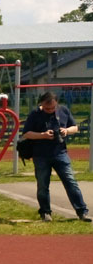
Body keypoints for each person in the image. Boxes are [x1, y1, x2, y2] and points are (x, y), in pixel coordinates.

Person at [20, 92, 90, 222]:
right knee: (43, 185)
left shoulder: (63, 110)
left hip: (60, 153)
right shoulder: (35, 114)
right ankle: (45, 212)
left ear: (57, 104)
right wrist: (43, 135)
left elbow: (75, 127)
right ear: (41, 104)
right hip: (40, 155)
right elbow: (26, 134)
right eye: (47, 108)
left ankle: (82, 212)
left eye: (53, 108)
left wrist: (66, 131)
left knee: (71, 182)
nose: (50, 110)